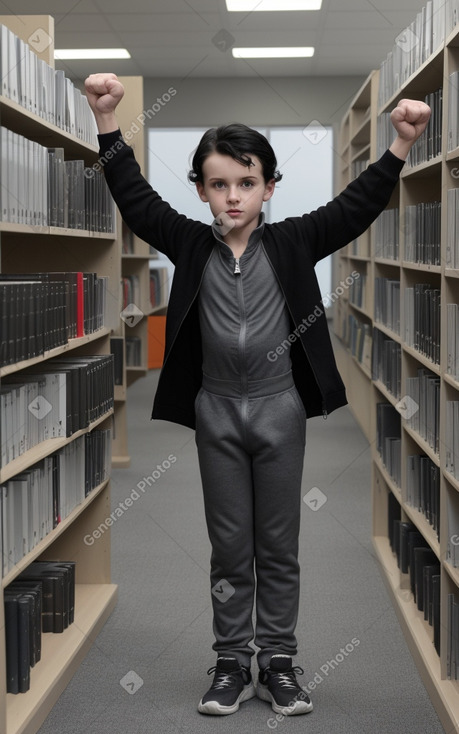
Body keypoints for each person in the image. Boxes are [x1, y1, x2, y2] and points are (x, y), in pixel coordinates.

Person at [84, 73, 430, 718]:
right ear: (202, 191)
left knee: (277, 542)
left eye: (247, 183)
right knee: (227, 543)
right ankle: (227, 661)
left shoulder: (294, 241)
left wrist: (400, 146)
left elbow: (357, 206)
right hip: (216, 410)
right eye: (219, 184)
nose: (233, 196)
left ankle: (277, 660)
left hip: (280, 410)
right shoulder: (188, 242)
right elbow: (133, 199)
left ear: (269, 187)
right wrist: (108, 122)